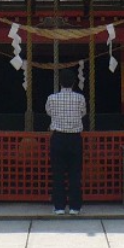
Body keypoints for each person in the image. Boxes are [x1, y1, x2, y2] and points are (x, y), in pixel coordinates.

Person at [45, 68, 87, 216]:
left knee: (58, 173)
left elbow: (49, 112)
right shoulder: (80, 98)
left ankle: (59, 206)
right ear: (74, 83)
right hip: (74, 138)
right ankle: (75, 207)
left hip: (58, 137)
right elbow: (83, 113)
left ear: (60, 83)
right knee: (75, 173)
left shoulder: (52, 98)